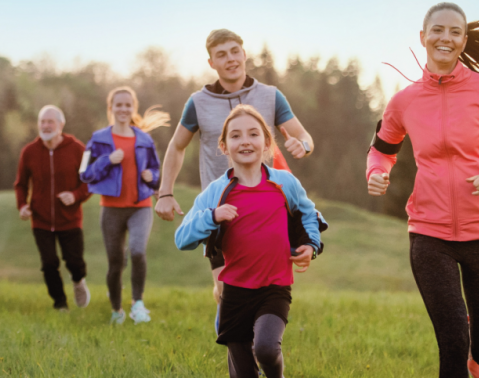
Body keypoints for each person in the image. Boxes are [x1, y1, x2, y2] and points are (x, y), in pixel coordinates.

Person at [366, 3, 479, 377]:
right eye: (438, 30)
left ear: (463, 40)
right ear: (423, 37)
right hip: (430, 233)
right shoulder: (405, 101)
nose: (445, 38)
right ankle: (457, 332)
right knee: (453, 340)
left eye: (454, 32)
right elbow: (381, 151)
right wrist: (377, 173)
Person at [155, 28, 316, 332]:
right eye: (221, 55)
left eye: (234, 51)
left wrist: (303, 146)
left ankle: (259, 347)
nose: (230, 59)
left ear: (244, 54)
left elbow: (303, 135)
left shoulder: (270, 96)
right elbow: (177, 146)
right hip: (220, 210)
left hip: (263, 206)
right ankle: (239, 352)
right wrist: (165, 192)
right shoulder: (198, 102)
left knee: (262, 290)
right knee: (225, 291)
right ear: (211, 62)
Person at [176, 105, 326, 378]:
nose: (245, 140)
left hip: (275, 288)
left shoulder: (285, 183)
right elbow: (181, 239)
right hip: (233, 293)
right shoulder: (216, 192)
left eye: (253, 134)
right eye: (235, 136)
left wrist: (311, 246)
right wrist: (212, 217)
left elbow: (309, 213)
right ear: (224, 146)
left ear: (267, 142)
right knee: (243, 373)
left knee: (267, 348)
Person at [80, 87, 167, 324]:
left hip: (141, 206)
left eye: (128, 105)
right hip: (111, 209)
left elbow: (158, 171)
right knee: (116, 262)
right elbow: (84, 173)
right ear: (111, 108)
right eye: (118, 105)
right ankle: (116, 310)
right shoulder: (98, 139)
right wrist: (107, 160)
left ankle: (138, 304)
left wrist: (152, 176)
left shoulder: (145, 139)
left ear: (133, 108)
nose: (123, 109)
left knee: (138, 251)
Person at [14, 105, 91, 311]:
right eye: (42, 122)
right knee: (49, 264)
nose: (46, 126)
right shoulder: (29, 152)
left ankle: (78, 282)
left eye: (50, 122)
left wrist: (74, 195)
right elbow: (20, 184)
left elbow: (89, 181)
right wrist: (22, 205)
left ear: (61, 125)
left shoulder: (77, 149)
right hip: (41, 219)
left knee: (74, 262)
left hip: (70, 219)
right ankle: (60, 303)